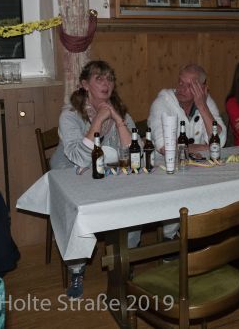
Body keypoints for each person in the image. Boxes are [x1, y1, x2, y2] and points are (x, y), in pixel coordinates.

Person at [50, 60, 141, 299]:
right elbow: (79, 157)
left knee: (134, 202)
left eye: (109, 78)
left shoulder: (120, 111)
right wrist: (99, 120)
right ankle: (77, 269)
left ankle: (125, 261)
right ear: (84, 84)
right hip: (70, 175)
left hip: (106, 175)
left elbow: (136, 154)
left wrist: (118, 120)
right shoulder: (70, 115)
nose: (106, 83)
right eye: (99, 78)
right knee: (79, 211)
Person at [148, 64, 227, 154]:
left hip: (199, 161)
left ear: (202, 88)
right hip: (164, 161)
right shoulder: (163, 102)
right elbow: (164, 146)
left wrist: (203, 107)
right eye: (181, 82)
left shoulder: (205, 101)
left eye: (189, 85)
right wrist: (205, 148)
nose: (182, 89)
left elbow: (220, 141)